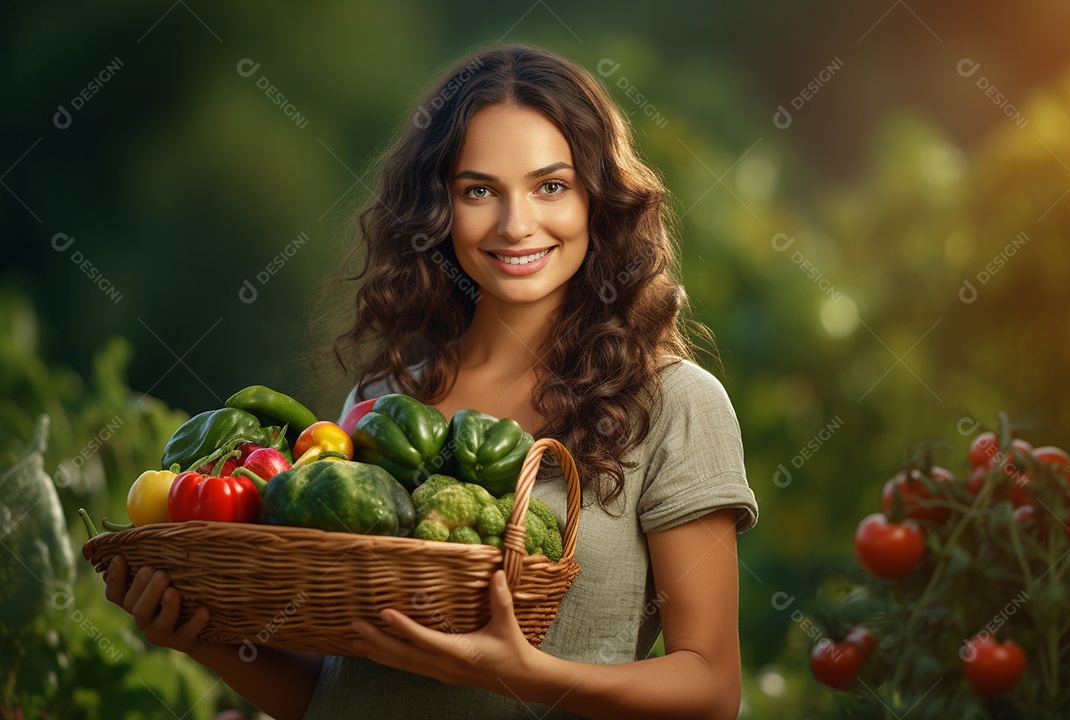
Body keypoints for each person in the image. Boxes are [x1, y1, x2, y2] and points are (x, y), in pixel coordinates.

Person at [104, 44, 758, 720]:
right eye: (479, 190)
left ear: (599, 198)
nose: (515, 224)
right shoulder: (382, 399)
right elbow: (341, 689)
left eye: (550, 186)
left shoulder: (675, 403)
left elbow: (710, 689)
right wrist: (203, 641)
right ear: (437, 209)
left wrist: (527, 676)